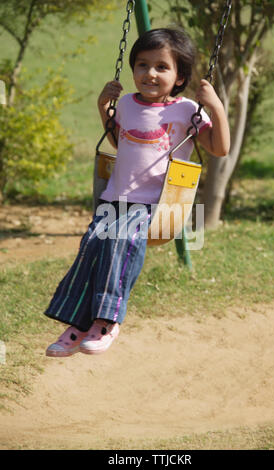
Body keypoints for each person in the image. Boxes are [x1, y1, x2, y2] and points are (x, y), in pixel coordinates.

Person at [45, 28, 230, 357]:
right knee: (92, 245)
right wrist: (104, 104)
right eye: (142, 65)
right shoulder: (127, 103)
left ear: (180, 76)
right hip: (115, 197)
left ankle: (107, 322)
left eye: (162, 67)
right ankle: (77, 325)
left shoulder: (187, 109)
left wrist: (215, 106)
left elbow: (219, 148)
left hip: (156, 205)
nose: (150, 73)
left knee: (120, 240)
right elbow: (120, 141)